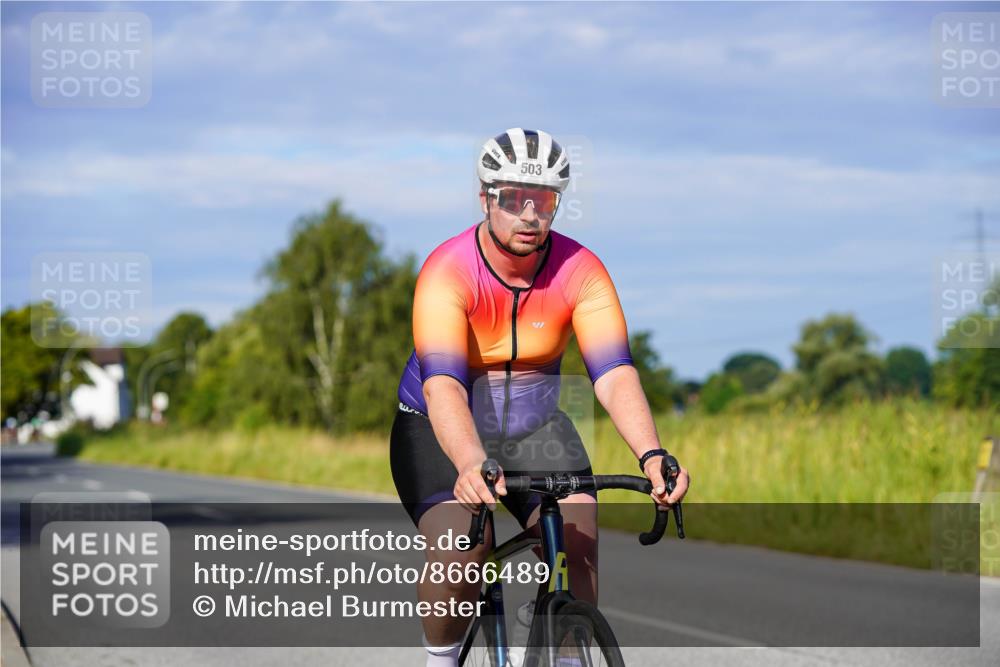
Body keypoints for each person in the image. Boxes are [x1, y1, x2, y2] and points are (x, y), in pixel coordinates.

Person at [390, 128, 690, 667]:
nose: (529, 215)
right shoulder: (447, 271)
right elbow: (443, 383)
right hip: (440, 425)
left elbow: (614, 373)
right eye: (513, 200)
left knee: (577, 535)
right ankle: (439, 659)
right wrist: (469, 460)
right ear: (485, 198)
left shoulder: (581, 270)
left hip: (533, 426)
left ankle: (569, 653)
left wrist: (651, 454)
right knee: (464, 547)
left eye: (544, 201)